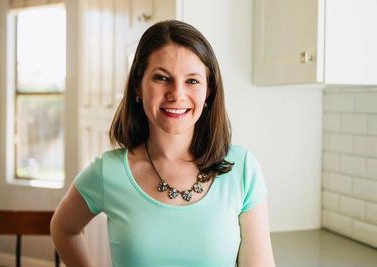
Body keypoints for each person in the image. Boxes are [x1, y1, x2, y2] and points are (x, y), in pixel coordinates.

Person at [50, 20, 275, 267]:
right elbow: (63, 229)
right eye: (161, 77)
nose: (177, 93)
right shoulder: (107, 172)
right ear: (138, 86)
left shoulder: (242, 169)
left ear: (209, 91)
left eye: (192, 81)